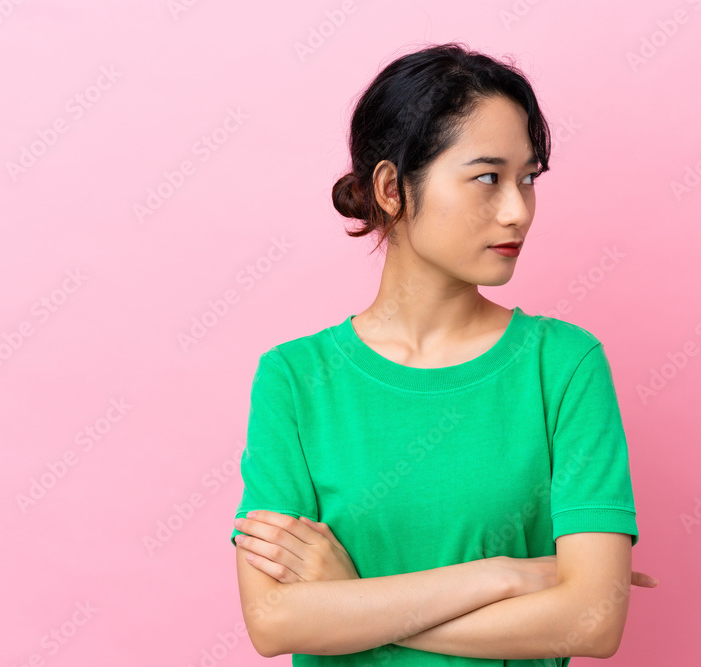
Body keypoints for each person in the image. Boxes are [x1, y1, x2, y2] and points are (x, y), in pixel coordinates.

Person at [229, 42, 658, 665]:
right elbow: (274, 623)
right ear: (391, 188)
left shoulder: (564, 366)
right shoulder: (295, 380)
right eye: (487, 178)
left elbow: (592, 622)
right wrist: (503, 576)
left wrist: (352, 603)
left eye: (527, 179)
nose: (517, 211)